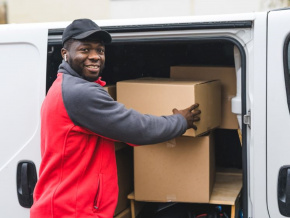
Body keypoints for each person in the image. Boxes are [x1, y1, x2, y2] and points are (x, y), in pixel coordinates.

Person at [30, 18, 201, 218]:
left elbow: (125, 132)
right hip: (71, 211)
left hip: (71, 207)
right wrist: (181, 121)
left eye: (100, 51)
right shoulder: (79, 93)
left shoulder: (66, 87)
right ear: (65, 54)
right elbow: (138, 130)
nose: (95, 56)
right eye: (85, 50)